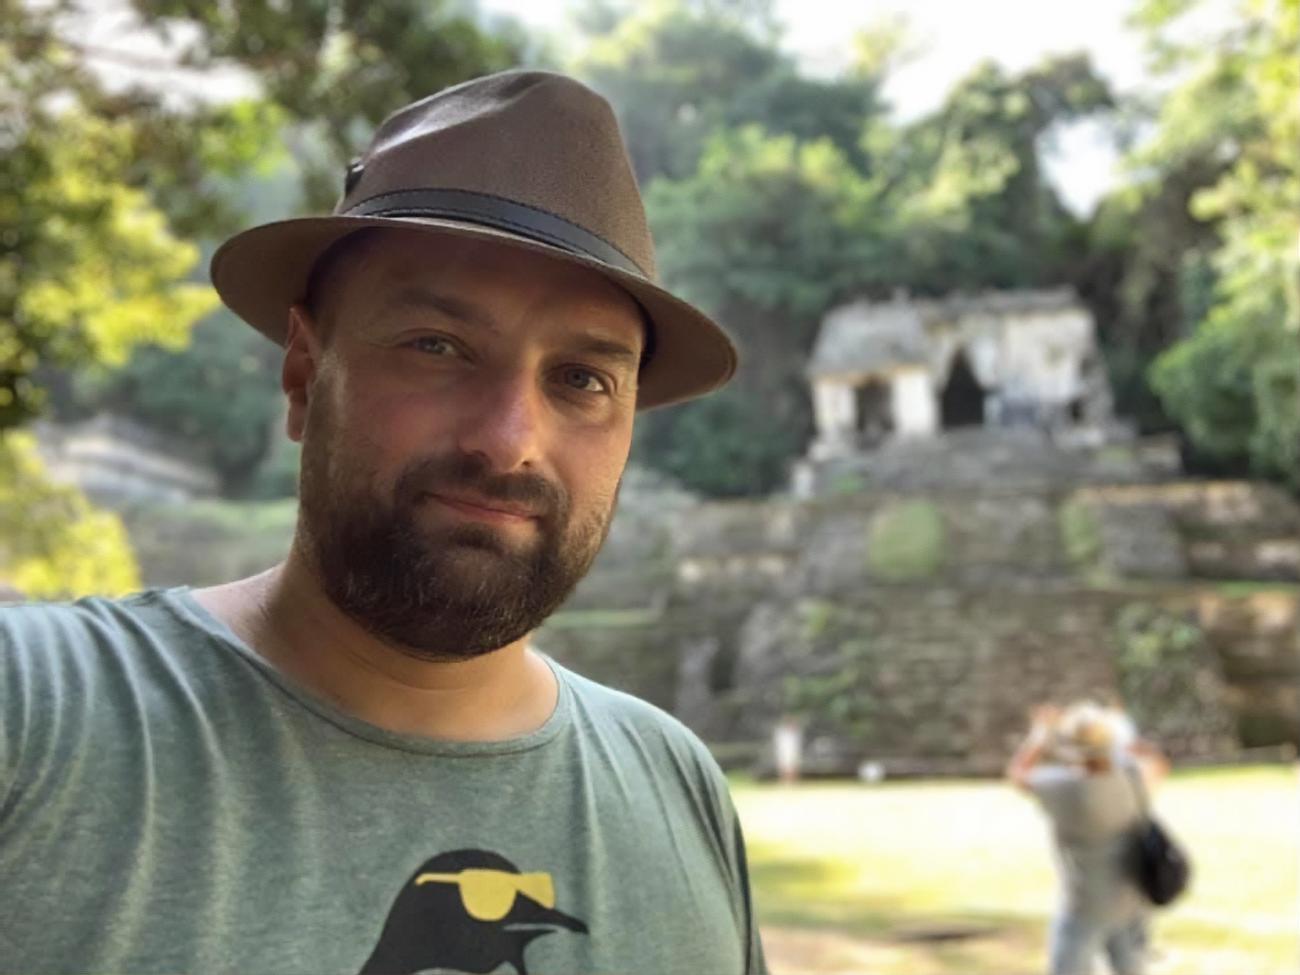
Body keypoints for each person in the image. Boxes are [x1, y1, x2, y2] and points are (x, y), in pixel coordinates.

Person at [0, 71, 766, 974]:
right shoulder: (33, 717)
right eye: (436, 346)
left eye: (581, 379)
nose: (510, 441)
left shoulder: (678, 788)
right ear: (303, 374)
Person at [1007, 700, 1170, 975]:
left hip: (1086, 904)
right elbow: (1159, 764)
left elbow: (1018, 774)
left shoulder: (1066, 788)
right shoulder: (1131, 778)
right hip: (1132, 897)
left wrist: (1040, 734)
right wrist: (1124, 735)